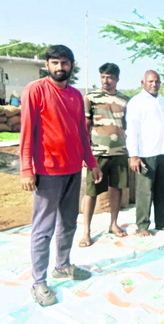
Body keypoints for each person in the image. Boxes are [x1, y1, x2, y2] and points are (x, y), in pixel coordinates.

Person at [20, 45, 102, 307]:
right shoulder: (35, 90)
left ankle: (63, 265)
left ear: (72, 66)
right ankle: (39, 281)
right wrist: (26, 168)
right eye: (54, 62)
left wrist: (91, 162)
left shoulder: (77, 96)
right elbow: (26, 131)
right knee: (43, 228)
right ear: (47, 64)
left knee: (68, 223)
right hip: (47, 170)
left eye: (64, 63)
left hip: (72, 169)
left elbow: (82, 133)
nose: (59, 67)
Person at [79, 63, 129, 247]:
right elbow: (85, 127)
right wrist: (85, 154)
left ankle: (113, 224)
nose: (105, 81)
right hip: (97, 154)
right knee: (91, 192)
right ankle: (86, 232)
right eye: (102, 77)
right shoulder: (90, 98)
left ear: (117, 79)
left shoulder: (125, 100)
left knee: (117, 189)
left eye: (109, 77)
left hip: (120, 152)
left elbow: (128, 126)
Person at [126, 70, 164, 236]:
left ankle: (162, 221)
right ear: (143, 83)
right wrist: (133, 155)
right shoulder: (136, 102)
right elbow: (131, 130)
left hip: (163, 151)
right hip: (145, 154)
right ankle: (142, 225)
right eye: (150, 81)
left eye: (156, 81)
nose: (154, 84)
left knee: (162, 189)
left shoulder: (162, 100)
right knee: (145, 191)